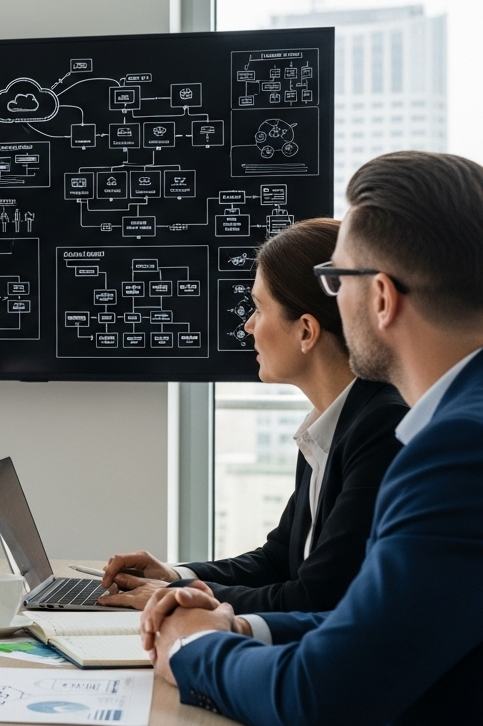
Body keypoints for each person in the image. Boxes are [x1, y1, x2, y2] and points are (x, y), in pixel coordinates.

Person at [142, 151, 483, 726]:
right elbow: (373, 624)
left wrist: (190, 649)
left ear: (381, 297)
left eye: (336, 279)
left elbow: (323, 700)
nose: (332, 297)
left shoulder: (457, 451)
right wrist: (240, 626)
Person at [98, 218, 407, 612]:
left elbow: (316, 597)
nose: (247, 327)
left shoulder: (380, 428)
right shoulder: (330, 423)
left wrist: (176, 599)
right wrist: (175, 577)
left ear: (307, 332)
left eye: (258, 309)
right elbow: (278, 561)